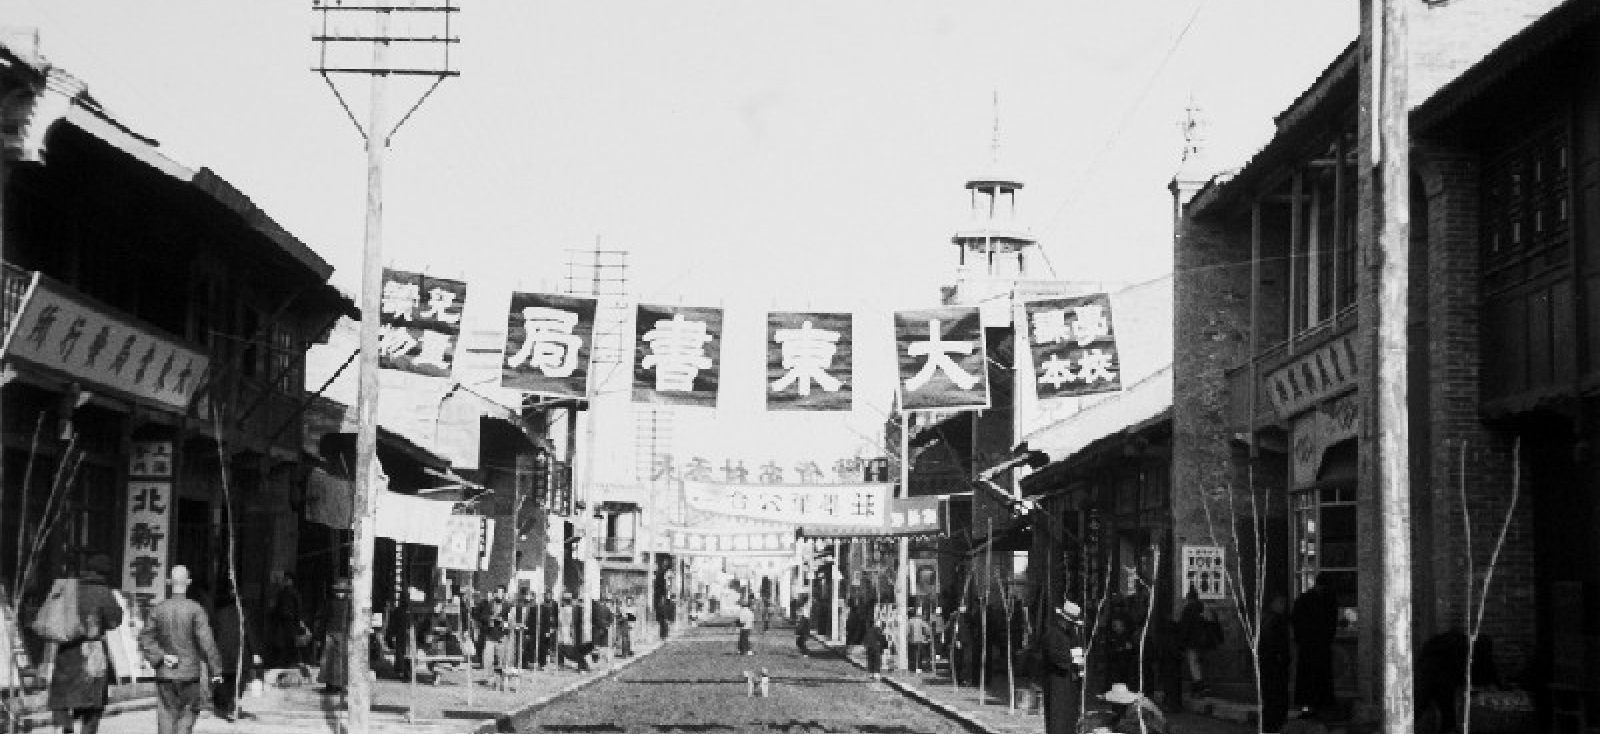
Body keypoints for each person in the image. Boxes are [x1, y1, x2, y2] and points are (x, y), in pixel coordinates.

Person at [138, 566, 223, 734]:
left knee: (166, 715)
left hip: (165, 673)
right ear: (189, 582)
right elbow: (207, 642)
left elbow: (144, 638)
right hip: (190, 673)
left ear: (168, 582)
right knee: (187, 715)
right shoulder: (196, 609)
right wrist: (216, 670)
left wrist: (161, 656)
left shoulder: (158, 609)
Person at [46, 554, 124, 734]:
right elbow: (115, 620)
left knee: (63, 696)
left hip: (66, 650)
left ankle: (65, 727)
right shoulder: (103, 592)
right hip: (90, 651)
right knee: (93, 702)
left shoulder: (70, 589)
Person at [1291, 574, 1340, 718]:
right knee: (1317, 678)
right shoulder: (1328, 599)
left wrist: (1301, 639)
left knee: (1309, 679)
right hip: (1317, 646)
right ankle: (1317, 706)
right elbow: (1332, 622)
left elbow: (1296, 620)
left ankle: (1311, 707)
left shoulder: (1305, 599)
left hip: (1310, 646)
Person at [1039, 599, 1087, 734]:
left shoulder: (1072, 635)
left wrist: (1080, 668)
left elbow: (1078, 653)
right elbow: (1054, 656)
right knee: (1057, 716)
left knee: (1069, 716)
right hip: (1056, 682)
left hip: (1071, 682)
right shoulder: (1052, 634)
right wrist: (1071, 660)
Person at [211, 584, 254, 722]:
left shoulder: (218, 614)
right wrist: (255, 652)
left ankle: (224, 705)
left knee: (224, 679)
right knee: (238, 679)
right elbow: (250, 635)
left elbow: (214, 634)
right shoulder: (244, 614)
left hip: (222, 653)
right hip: (239, 655)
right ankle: (232, 704)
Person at [1259, 595, 1293, 733]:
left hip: (1268, 662)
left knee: (1270, 695)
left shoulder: (1266, 618)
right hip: (1274, 664)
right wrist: (1281, 657)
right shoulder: (1275, 620)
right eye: (1280, 603)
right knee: (1276, 694)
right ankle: (1274, 723)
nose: (1283, 606)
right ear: (1273, 604)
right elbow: (1274, 642)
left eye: (1283, 603)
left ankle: (1270, 723)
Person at [1176, 588, 1218, 697]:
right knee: (1201, 663)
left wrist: (1181, 643)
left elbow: (1185, 627)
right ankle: (1204, 685)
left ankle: (1199, 686)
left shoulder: (1188, 609)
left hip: (1193, 642)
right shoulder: (1205, 607)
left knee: (1194, 664)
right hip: (1205, 642)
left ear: (1190, 598)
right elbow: (1213, 623)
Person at [318, 579, 351, 694]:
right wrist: (319, 635)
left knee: (339, 660)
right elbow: (324, 619)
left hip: (343, 634)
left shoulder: (349, 604)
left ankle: (338, 685)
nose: (340, 593)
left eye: (342, 591)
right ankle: (330, 684)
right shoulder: (331, 603)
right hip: (332, 633)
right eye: (338, 591)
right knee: (329, 660)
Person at [268, 573, 303, 669]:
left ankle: (288, 663)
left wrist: (297, 622)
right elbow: (277, 608)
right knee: (285, 643)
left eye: (287, 580)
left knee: (288, 643)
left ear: (291, 581)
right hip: (284, 622)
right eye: (285, 580)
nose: (285, 581)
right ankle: (285, 662)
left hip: (288, 621)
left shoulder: (291, 593)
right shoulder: (283, 593)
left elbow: (298, 609)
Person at [1103, 613, 1139, 689]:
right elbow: (1108, 651)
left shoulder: (1129, 636)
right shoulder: (1110, 637)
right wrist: (1120, 649)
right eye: (1113, 625)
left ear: (1123, 625)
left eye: (1117, 624)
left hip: (1127, 671)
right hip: (1114, 671)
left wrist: (1131, 648)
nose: (1115, 627)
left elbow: (1135, 652)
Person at [951, 604, 977, 686]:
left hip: (968, 641)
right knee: (959, 660)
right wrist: (957, 640)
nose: (964, 608)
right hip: (961, 641)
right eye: (962, 607)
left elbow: (973, 628)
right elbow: (955, 630)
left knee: (967, 661)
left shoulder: (969, 617)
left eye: (965, 607)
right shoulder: (956, 617)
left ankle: (966, 679)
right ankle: (959, 679)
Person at [906, 607, 932, 673]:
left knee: (913, 654)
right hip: (920, 640)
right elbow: (927, 630)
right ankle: (919, 667)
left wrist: (908, 637)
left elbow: (908, 631)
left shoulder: (910, 621)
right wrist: (927, 636)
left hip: (912, 640)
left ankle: (914, 667)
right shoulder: (921, 621)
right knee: (919, 654)